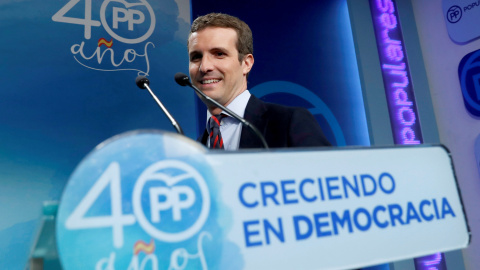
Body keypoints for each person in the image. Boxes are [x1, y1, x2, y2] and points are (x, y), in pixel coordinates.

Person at [187, 13, 331, 149]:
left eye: (219, 54)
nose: (204, 66)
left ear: (246, 63)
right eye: (196, 57)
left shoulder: (289, 122)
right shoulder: (197, 150)